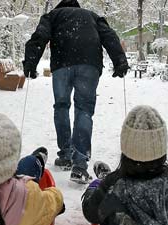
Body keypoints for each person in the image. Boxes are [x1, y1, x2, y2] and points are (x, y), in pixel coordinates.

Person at [23, 0, 130, 184]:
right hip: (89, 65)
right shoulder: (92, 16)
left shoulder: (53, 16)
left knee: (61, 107)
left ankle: (65, 155)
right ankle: (79, 165)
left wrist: (31, 62)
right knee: (84, 110)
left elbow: (39, 36)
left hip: (62, 65)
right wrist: (120, 60)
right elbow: (110, 36)